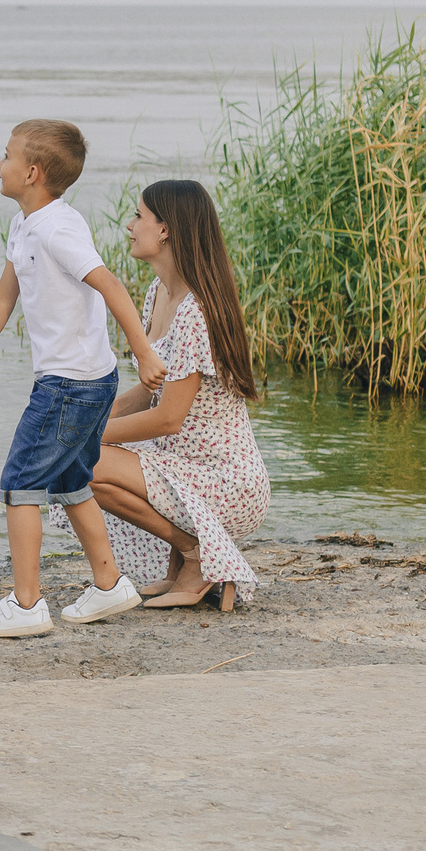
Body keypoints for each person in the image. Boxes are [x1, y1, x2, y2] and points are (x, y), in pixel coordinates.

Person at [0, 120, 168, 637]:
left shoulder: (58, 228)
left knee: (21, 481)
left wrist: (142, 351)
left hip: (71, 385)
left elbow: (109, 283)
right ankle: (110, 584)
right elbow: (6, 295)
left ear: (30, 173)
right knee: (71, 481)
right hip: (83, 382)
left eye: (5, 156)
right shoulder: (25, 224)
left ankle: (27, 606)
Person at [88, 180, 269, 611]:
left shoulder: (196, 311)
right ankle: (183, 564)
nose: (130, 226)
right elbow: (151, 393)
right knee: (77, 452)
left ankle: (197, 556)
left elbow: (168, 417)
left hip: (225, 479)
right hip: (184, 464)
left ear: (165, 230)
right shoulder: (158, 295)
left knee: (86, 461)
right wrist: (89, 423)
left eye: (138, 216)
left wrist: (93, 438)